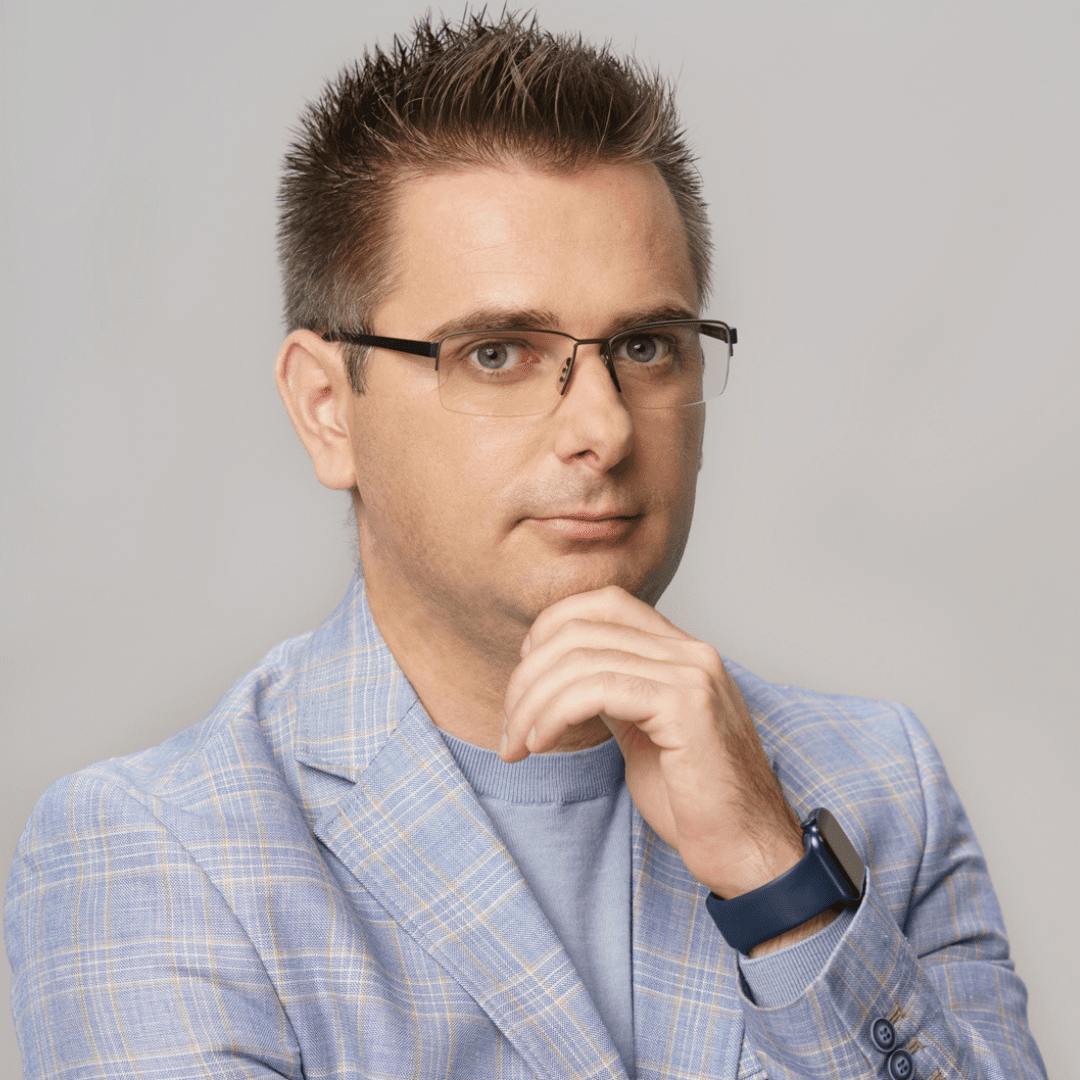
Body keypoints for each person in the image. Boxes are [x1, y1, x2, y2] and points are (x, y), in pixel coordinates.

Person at [5, 11, 1045, 1080]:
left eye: (646, 346)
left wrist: (782, 888)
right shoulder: (153, 849)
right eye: (497, 352)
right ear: (327, 407)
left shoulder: (879, 787)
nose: (602, 426)